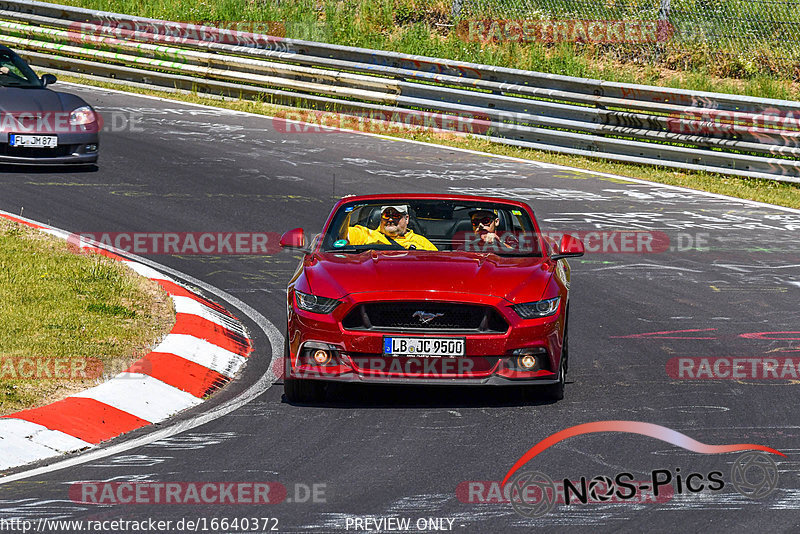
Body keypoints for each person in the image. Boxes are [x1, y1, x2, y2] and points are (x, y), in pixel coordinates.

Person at [345, 205, 437, 251]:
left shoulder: (422, 242)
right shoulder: (365, 234)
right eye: (386, 215)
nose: (390, 219)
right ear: (381, 217)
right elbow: (340, 236)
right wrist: (346, 213)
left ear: (407, 219)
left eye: (396, 215)